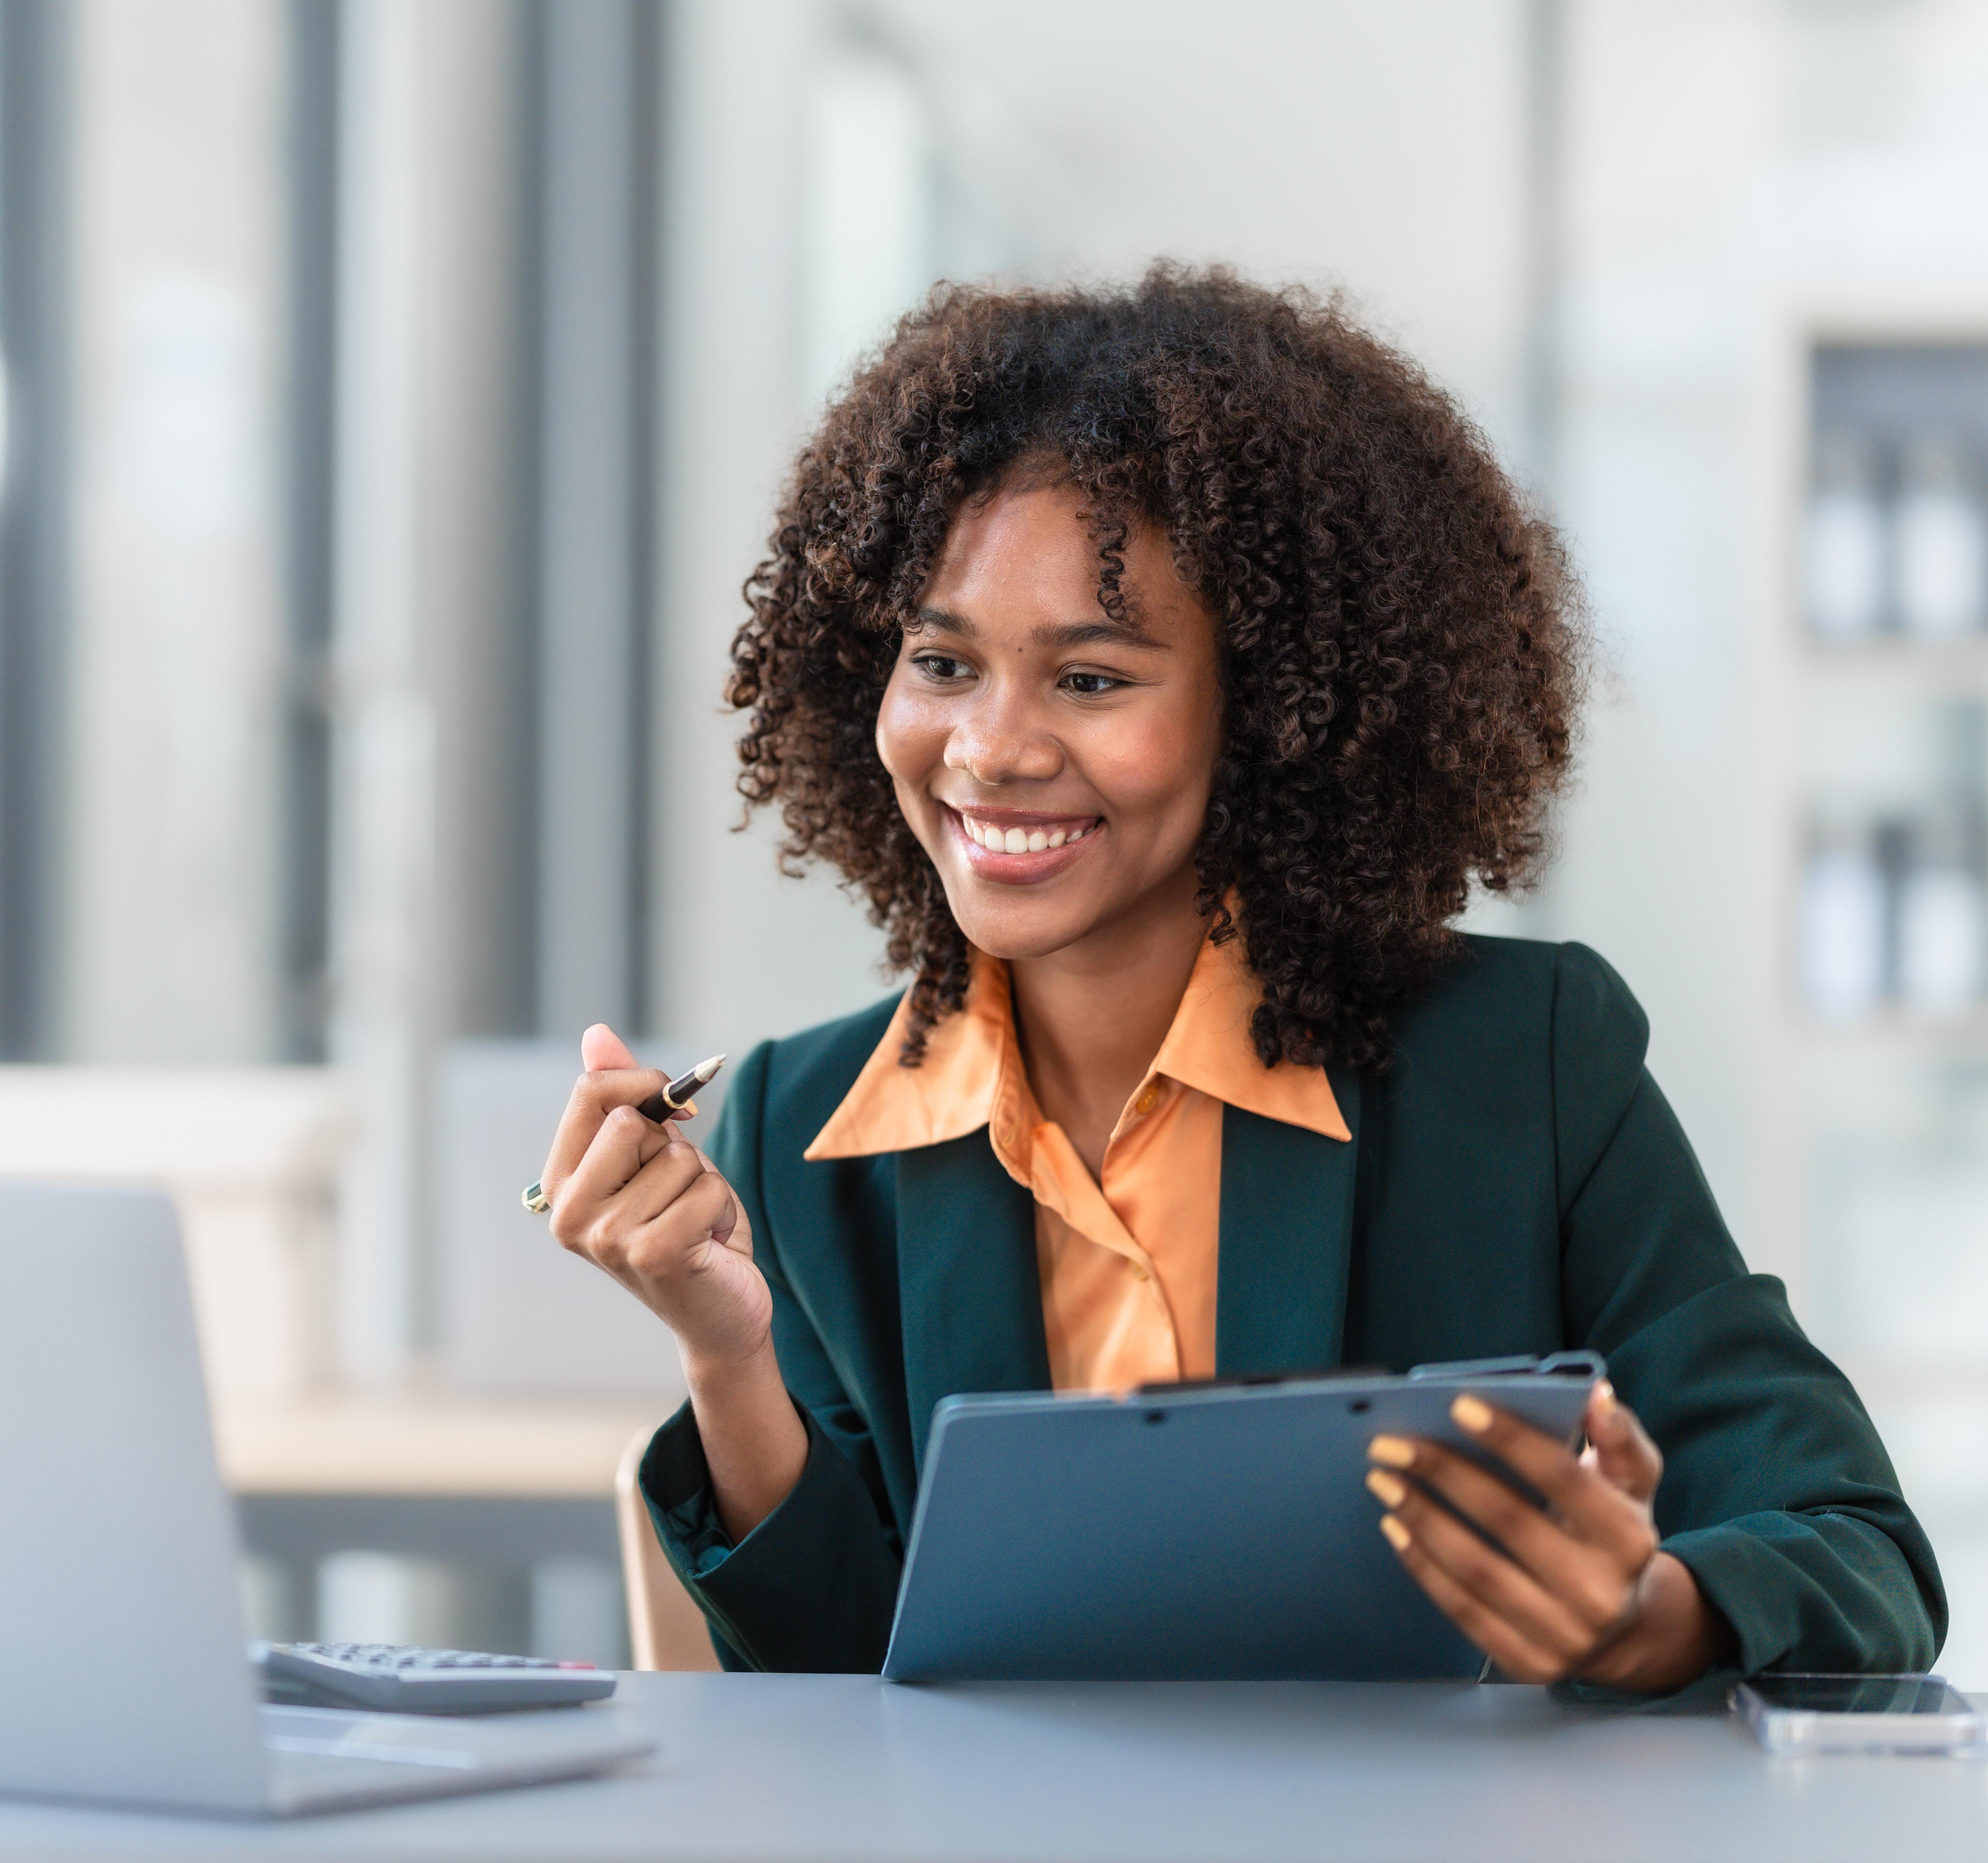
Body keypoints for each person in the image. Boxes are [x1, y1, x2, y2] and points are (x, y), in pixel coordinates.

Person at [535, 267, 1943, 1686]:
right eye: (942, 660)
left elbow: (1857, 1554)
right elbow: (847, 1682)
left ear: (1270, 711)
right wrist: (727, 1354)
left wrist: (1642, 1613)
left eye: (1090, 679)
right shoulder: (800, 1127)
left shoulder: (1525, 1065)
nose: (991, 748)